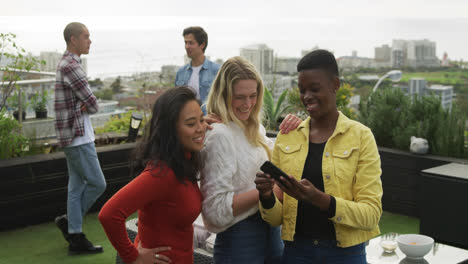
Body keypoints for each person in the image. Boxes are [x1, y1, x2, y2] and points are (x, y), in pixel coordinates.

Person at [255, 49, 383, 264]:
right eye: (302, 90)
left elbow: (371, 214)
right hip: (297, 252)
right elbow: (276, 218)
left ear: (335, 84)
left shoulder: (361, 137)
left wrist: (320, 200)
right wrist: (266, 196)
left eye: (314, 89)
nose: (306, 97)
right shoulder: (288, 138)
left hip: (345, 254)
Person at [99, 87, 207, 264]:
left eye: (201, 120)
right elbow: (109, 214)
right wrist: (133, 257)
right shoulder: (163, 173)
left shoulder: (184, 160)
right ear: (171, 130)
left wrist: (204, 124)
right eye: (191, 123)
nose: (201, 128)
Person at [200, 56, 283, 263]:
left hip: (271, 233)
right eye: (240, 97)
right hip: (240, 241)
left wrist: (295, 129)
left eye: (253, 96)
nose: (248, 104)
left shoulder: (254, 128)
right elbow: (215, 212)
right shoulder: (220, 135)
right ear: (224, 95)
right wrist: (264, 191)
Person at [53, 22, 106, 255]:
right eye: (86, 36)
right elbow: (92, 103)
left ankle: (73, 231)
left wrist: (84, 104)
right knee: (98, 183)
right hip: (78, 138)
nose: (90, 40)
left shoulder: (68, 63)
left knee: (76, 188)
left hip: (75, 136)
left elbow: (87, 102)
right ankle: (71, 226)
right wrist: (86, 105)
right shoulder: (72, 65)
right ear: (73, 39)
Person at [175, 26, 220, 113]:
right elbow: (176, 101)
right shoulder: (181, 72)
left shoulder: (217, 71)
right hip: (186, 121)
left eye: (191, 43)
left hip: (210, 122)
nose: (187, 46)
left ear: (202, 45)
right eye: (185, 42)